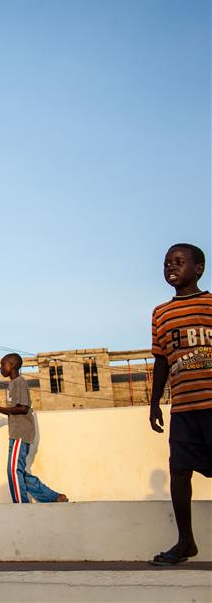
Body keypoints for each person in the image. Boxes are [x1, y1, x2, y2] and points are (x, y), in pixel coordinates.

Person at [147, 243, 211, 567]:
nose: (171, 266)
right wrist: (154, 401)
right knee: (179, 471)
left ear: (198, 268)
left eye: (179, 261)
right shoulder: (161, 313)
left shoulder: (210, 304)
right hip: (184, 409)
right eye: (167, 262)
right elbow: (160, 361)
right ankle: (186, 541)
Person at [0, 353, 69, 504]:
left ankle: (21, 505)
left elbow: (23, 408)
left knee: (14, 471)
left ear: (12, 365)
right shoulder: (13, 384)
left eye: (3, 365)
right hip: (17, 434)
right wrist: (0, 409)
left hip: (21, 433)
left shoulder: (19, 382)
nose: (1, 368)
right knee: (19, 472)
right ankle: (54, 497)